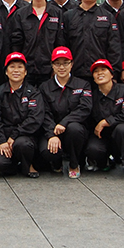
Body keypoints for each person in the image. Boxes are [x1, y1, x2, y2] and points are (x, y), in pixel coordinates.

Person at [38, 47, 91, 179]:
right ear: (52, 66)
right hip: (52, 129)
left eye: (65, 63)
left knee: (74, 128)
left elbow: (84, 108)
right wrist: (51, 134)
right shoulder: (44, 87)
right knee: (47, 151)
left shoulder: (83, 85)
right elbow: (44, 112)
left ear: (72, 64)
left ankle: (74, 164)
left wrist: (64, 123)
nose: (61, 67)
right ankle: (56, 163)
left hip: (74, 130)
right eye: (57, 64)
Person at [0, 53, 45, 178]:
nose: (16, 70)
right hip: (4, 136)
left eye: (20, 67)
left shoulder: (33, 93)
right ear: (6, 72)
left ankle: (28, 165)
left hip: (24, 135)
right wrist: (2, 141)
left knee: (23, 145)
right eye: (12, 67)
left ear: (25, 72)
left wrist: (15, 135)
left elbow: (35, 118)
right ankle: (14, 165)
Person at [8, 0, 64, 86]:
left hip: (49, 70)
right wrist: (18, 67)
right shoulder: (21, 14)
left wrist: (57, 67)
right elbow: (16, 43)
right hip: (27, 70)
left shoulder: (57, 13)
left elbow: (60, 42)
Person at [86, 59, 124, 180]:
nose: (100, 73)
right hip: (102, 136)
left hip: (122, 135)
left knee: (122, 129)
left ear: (111, 74)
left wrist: (107, 121)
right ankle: (104, 162)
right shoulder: (92, 96)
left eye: (103, 70)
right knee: (93, 149)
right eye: (96, 71)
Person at [63, 0, 121, 83]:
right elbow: (63, 45)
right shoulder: (68, 16)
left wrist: (114, 74)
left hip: (101, 74)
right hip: (75, 75)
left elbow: (114, 48)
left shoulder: (107, 17)